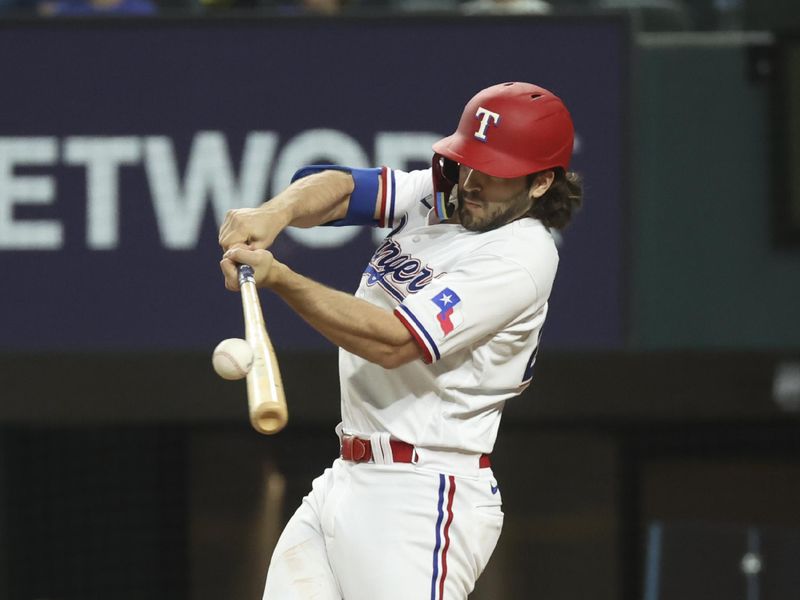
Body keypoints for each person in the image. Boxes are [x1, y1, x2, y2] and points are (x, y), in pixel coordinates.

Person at [218, 81, 583, 600]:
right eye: (469, 162)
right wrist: (275, 213)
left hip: (422, 493)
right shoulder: (452, 197)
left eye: (495, 172)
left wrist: (278, 277)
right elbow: (342, 188)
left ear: (542, 182)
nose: (473, 181)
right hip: (346, 475)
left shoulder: (521, 255)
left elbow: (392, 342)